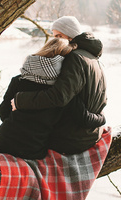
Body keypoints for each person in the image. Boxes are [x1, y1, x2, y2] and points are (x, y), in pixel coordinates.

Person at [0, 37, 105, 159]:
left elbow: (3, 112)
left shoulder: (18, 80)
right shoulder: (61, 92)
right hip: (32, 149)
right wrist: (101, 118)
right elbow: (82, 117)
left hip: (2, 142)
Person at [12, 16, 107, 155]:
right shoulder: (93, 58)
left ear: (70, 36)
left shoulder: (74, 58)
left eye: (59, 36)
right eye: (54, 36)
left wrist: (19, 100)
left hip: (73, 139)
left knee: (21, 137)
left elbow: (59, 96)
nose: (55, 40)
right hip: (90, 133)